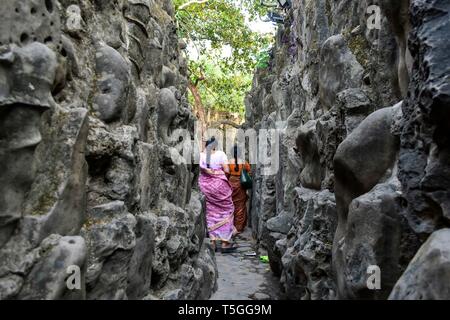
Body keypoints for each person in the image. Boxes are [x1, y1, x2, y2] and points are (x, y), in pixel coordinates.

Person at [198, 137, 237, 253]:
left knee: (210, 212)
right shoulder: (220, 154)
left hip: (205, 186)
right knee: (226, 211)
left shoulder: (200, 156)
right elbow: (227, 170)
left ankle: (213, 242)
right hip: (220, 186)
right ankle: (225, 242)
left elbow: (200, 170)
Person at [227, 145, 251, 234]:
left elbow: (226, 174)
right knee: (240, 207)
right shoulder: (244, 163)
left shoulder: (229, 162)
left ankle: (230, 225)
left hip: (231, 184)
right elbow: (249, 173)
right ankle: (238, 228)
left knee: (230, 205)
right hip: (240, 185)